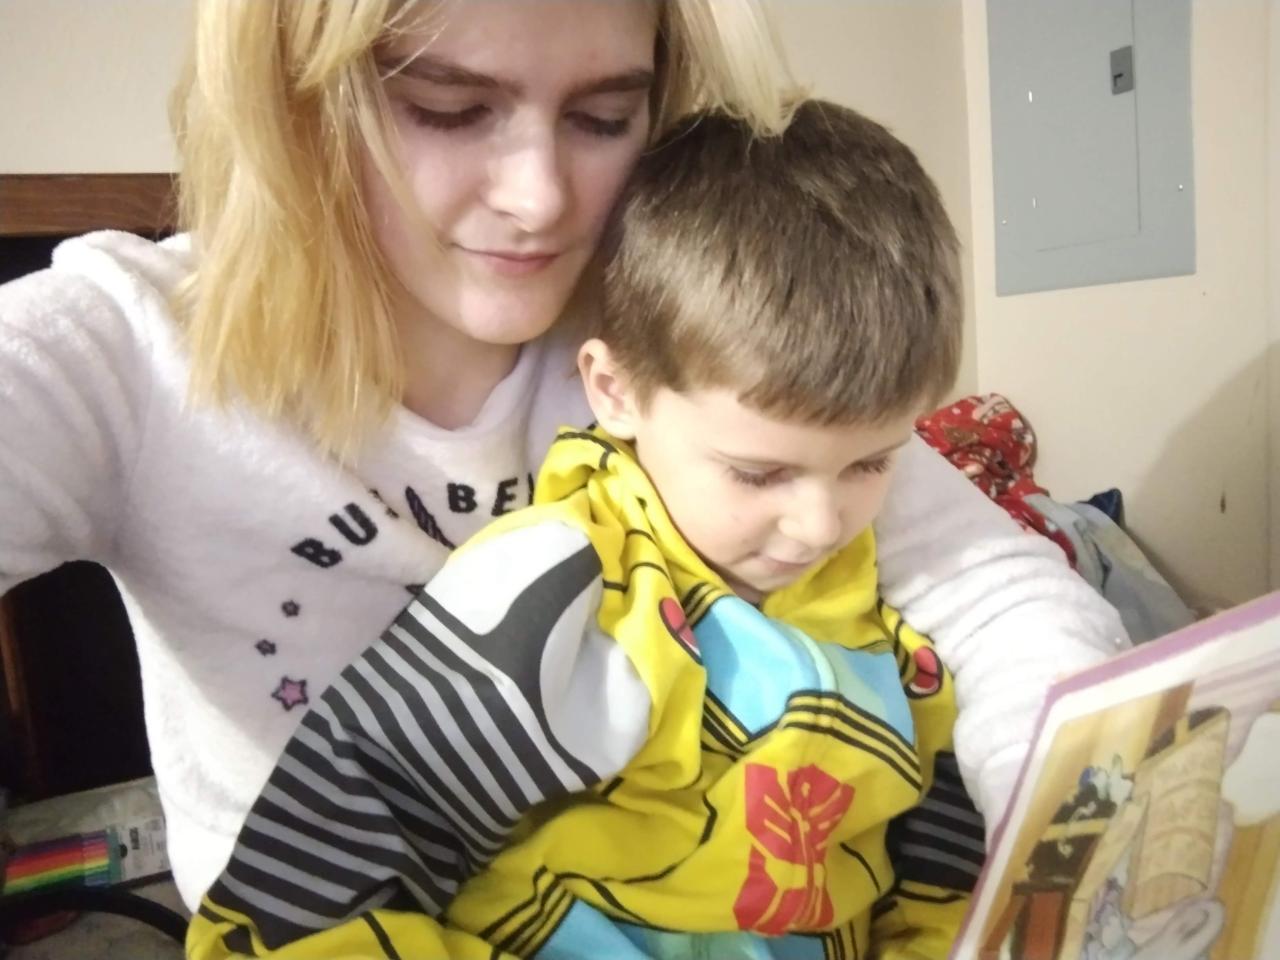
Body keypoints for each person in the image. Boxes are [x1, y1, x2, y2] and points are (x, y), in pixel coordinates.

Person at [0, 0, 1126, 917]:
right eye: (448, 109)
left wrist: (1087, 835)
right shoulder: (127, 351)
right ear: (297, 101)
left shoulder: (668, 325)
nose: (539, 199)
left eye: (601, 117)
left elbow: (991, 590)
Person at [190, 98, 978, 960]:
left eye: (871, 464)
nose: (822, 524)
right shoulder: (560, 588)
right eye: (758, 474)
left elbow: (944, 860)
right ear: (615, 392)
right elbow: (295, 907)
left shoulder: (877, 601)